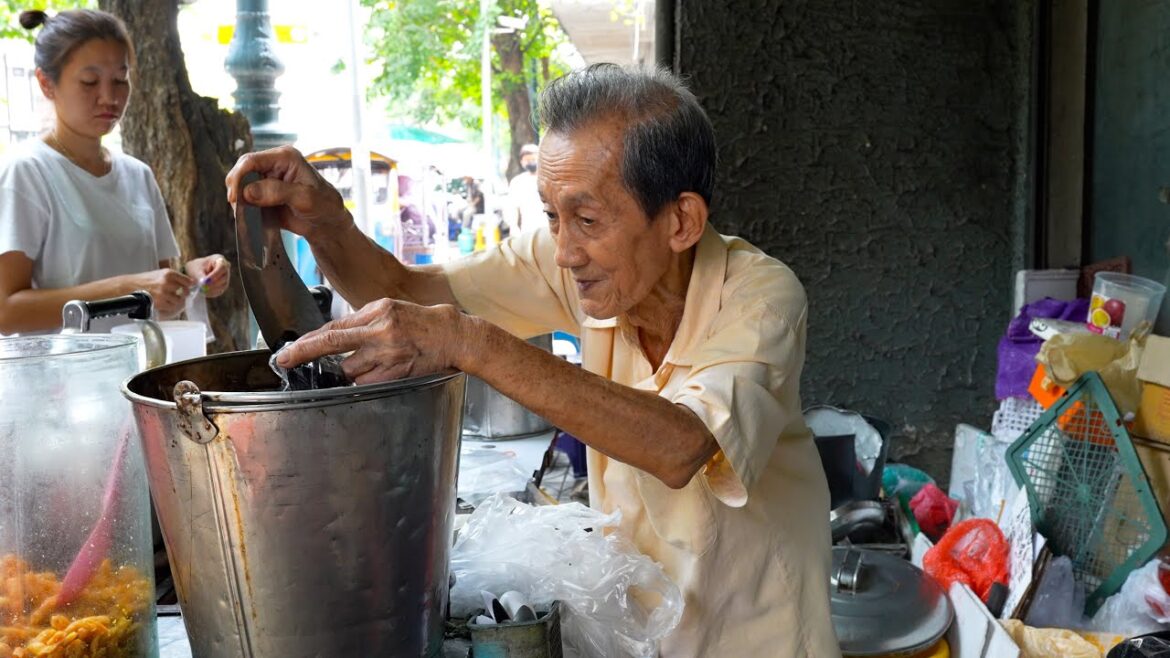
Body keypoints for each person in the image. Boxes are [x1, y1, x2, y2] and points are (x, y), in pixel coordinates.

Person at [226, 63, 838, 656]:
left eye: (587, 218)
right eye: (551, 214)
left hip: (756, 639)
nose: (566, 251)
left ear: (681, 220)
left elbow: (683, 445)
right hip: (641, 636)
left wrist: (471, 342)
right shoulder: (578, 260)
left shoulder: (761, 298)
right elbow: (412, 293)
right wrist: (328, 224)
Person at [0, 9, 230, 335]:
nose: (109, 97)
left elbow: (158, 283)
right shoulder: (25, 173)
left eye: (120, 79)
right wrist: (128, 287)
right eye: (89, 81)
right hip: (62, 381)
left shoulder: (137, 175)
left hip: (139, 375)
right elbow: (7, 311)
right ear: (46, 83)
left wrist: (193, 278)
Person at [504, 142, 544, 235]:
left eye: (533, 159)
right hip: (527, 232)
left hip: (549, 231)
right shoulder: (517, 182)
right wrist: (513, 226)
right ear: (522, 162)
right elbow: (513, 207)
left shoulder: (550, 179)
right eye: (527, 160)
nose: (530, 162)